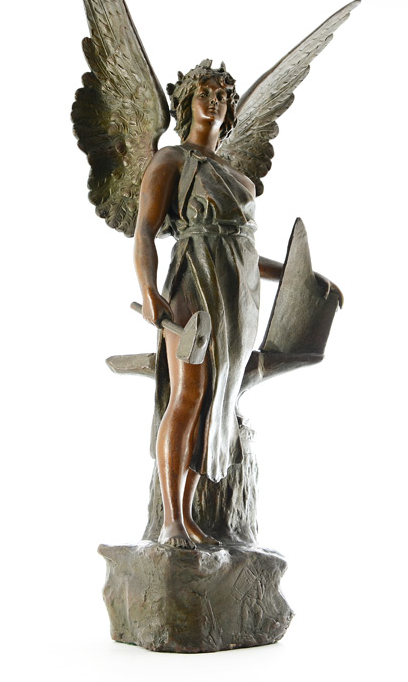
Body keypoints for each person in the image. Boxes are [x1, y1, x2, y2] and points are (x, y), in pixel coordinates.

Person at [134, 62, 282, 549]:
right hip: (191, 284)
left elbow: (244, 250)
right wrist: (149, 290)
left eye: (223, 94)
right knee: (189, 394)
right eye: (205, 92)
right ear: (187, 102)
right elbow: (145, 231)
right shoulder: (171, 160)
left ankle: (190, 514)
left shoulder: (236, 176)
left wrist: (294, 273)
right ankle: (171, 520)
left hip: (236, 298)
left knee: (216, 402)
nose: (215, 100)